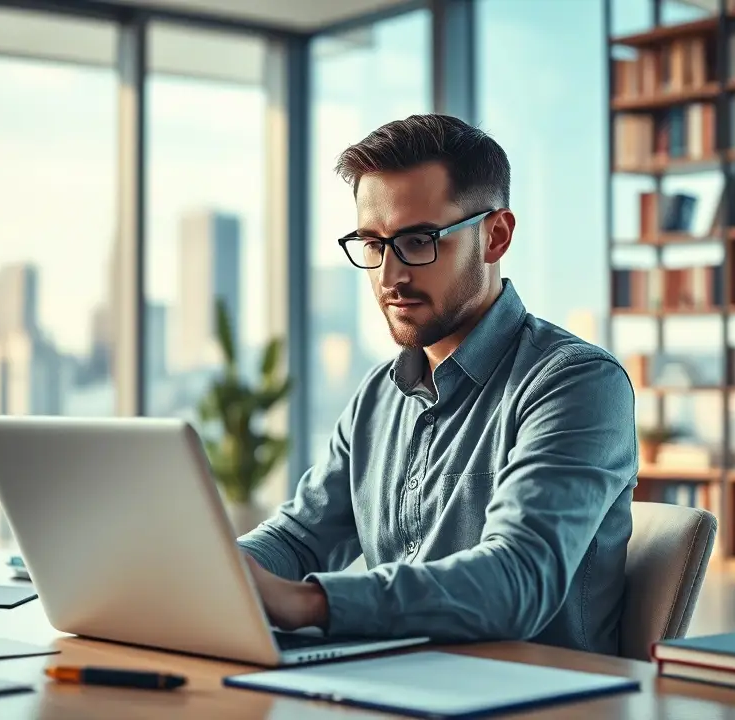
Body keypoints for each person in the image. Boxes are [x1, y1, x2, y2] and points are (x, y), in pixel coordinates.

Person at [237, 114, 637, 656]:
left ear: (495, 236)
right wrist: (218, 572)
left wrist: (311, 603)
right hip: (397, 685)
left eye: (418, 240)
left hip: (540, 699)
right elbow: (298, 538)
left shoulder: (576, 384)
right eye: (373, 244)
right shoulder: (379, 396)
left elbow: (518, 580)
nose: (389, 276)